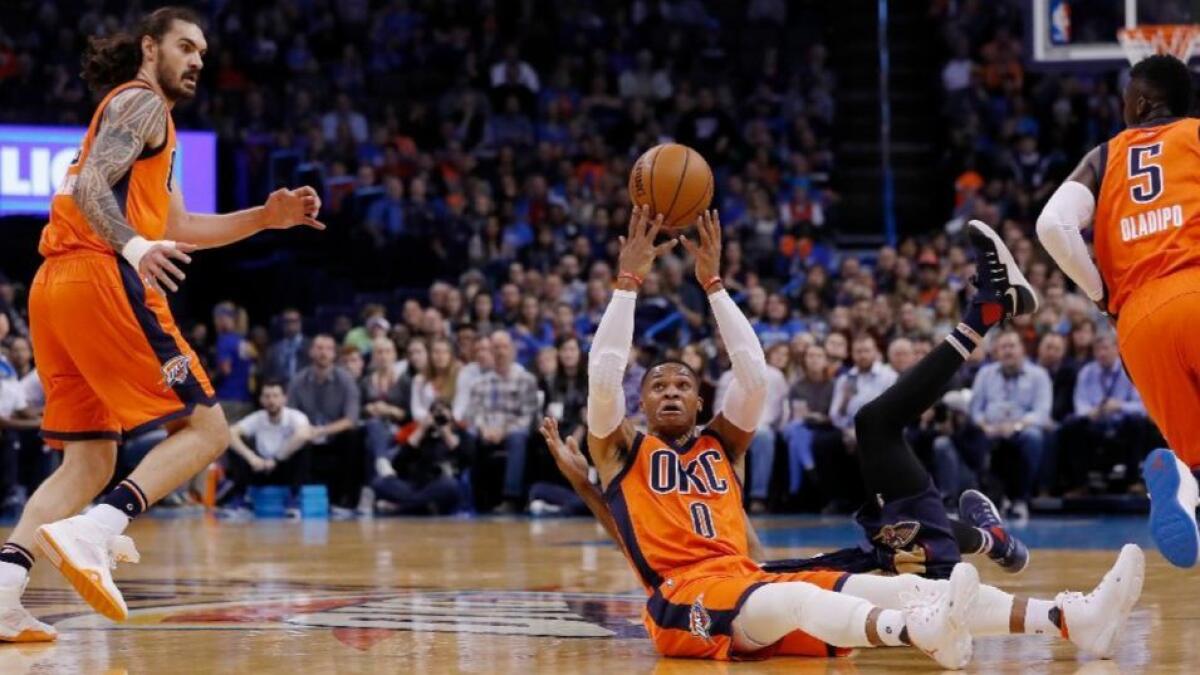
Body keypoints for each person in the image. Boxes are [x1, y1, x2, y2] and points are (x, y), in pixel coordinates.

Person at [541, 211, 1142, 666]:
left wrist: (715, 284)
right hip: (684, 602)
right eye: (656, 386)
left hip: (745, 577)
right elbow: (601, 375)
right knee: (800, 601)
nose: (669, 392)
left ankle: (1070, 617)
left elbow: (755, 375)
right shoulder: (621, 449)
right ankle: (922, 629)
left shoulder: (720, 447)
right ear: (640, 402)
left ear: (703, 401)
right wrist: (628, 283)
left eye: (683, 384)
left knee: (904, 586)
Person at [0, 7, 324, 640]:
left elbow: (177, 227)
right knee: (206, 428)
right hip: (99, 277)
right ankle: (99, 529)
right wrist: (134, 249)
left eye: (203, 50)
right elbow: (96, 187)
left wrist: (265, 216)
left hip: (55, 290)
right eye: (185, 45)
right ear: (151, 48)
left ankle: (4, 592)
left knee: (90, 461)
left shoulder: (155, 127)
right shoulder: (141, 103)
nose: (197, 59)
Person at [1037, 53, 1200, 567]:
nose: (1120, 101)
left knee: (1195, 455)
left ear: (1144, 100)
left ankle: (1185, 486)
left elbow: (1053, 226)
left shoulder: (1103, 157)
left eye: (1126, 91)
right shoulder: (1196, 135)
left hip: (1137, 325)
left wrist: (1100, 295)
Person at [968, 330, 1053, 520]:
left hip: (1022, 428)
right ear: (997, 352)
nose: (1008, 351)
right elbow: (975, 409)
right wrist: (985, 426)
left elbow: (1042, 412)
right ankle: (986, 500)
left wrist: (1016, 426)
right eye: (1003, 347)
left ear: (1022, 349)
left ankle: (1021, 498)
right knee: (971, 434)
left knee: (1033, 437)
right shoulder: (985, 373)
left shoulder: (1039, 375)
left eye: (1012, 346)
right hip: (990, 429)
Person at [287, 335, 362, 510]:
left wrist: (323, 431)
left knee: (354, 436)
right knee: (295, 438)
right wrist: (306, 432)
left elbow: (351, 419)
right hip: (306, 435)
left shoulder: (346, 380)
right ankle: (299, 499)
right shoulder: (298, 381)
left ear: (334, 354)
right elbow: (289, 415)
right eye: (319, 348)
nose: (323, 353)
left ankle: (346, 501)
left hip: (334, 436)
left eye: (328, 349)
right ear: (311, 352)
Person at [224, 381, 313, 505]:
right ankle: (242, 497)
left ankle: (294, 498)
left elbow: (304, 434)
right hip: (261, 467)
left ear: (284, 398)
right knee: (234, 445)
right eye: (267, 396)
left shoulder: (295, 416)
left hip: (284, 466)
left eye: (275, 396)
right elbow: (230, 433)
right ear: (261, 400)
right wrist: (252, 458)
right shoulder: (257, 417)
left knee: (304, 446)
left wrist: (277, 459)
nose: (271, 401)